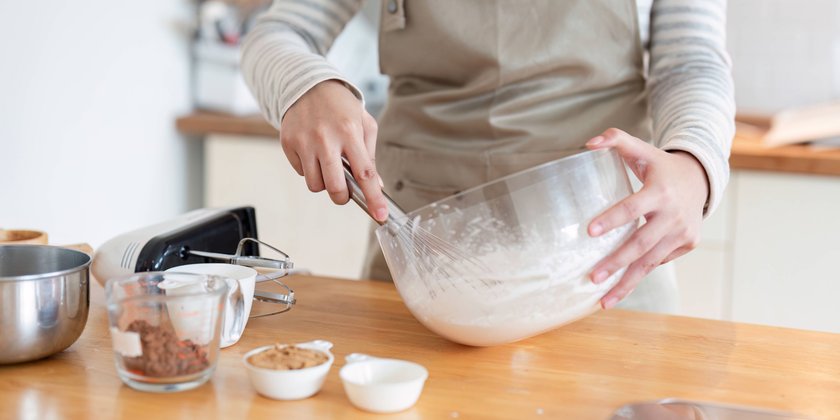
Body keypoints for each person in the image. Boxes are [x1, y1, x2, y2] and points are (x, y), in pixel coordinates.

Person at [241, 0, 734, 313]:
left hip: (606, 265)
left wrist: (693, 162)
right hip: (423, 267)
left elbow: (691, 60)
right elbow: (279, 34)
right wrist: (305, 85)